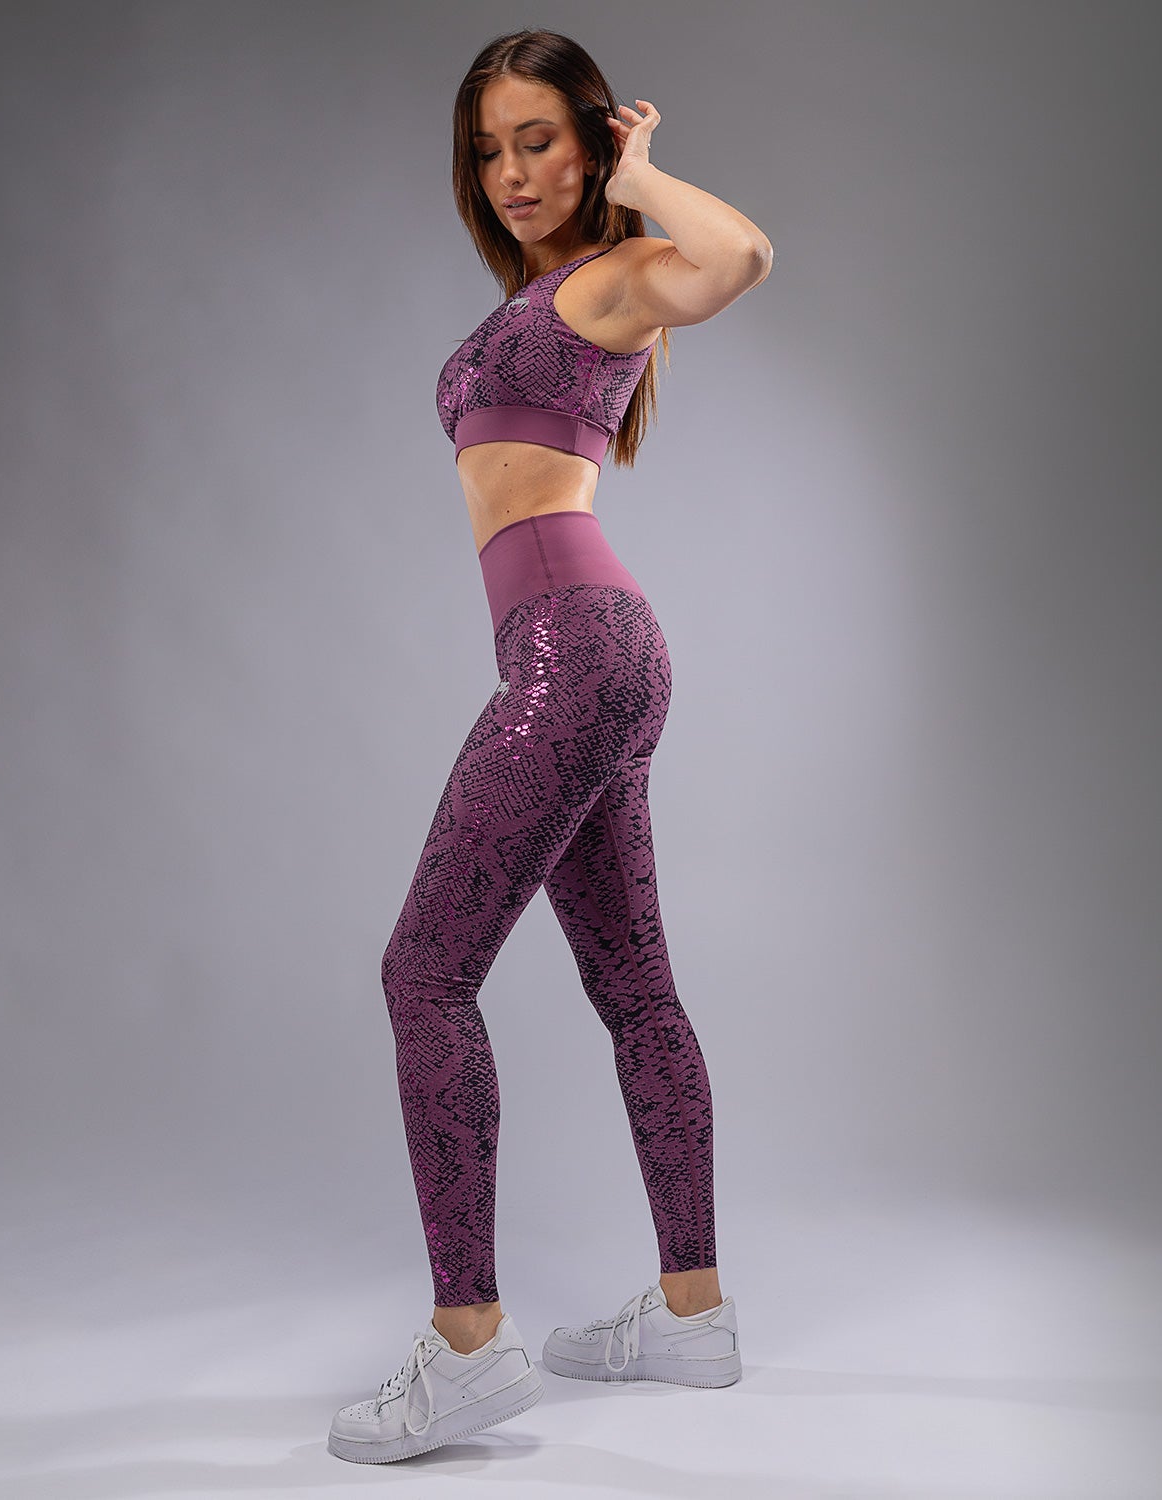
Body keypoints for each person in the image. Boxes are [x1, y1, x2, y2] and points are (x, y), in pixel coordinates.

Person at [328, 27, 772, 1464]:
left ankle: (467, 1348)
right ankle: (692, 1316)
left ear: (590, 141)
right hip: (596, 654)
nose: (513, 172)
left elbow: (743, 256)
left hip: (574, 655)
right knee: (635, 987)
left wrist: (646, 178)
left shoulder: (617, 274)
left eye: (539, 140)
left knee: (424, 974)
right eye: (489, 149)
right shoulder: (548, 295)